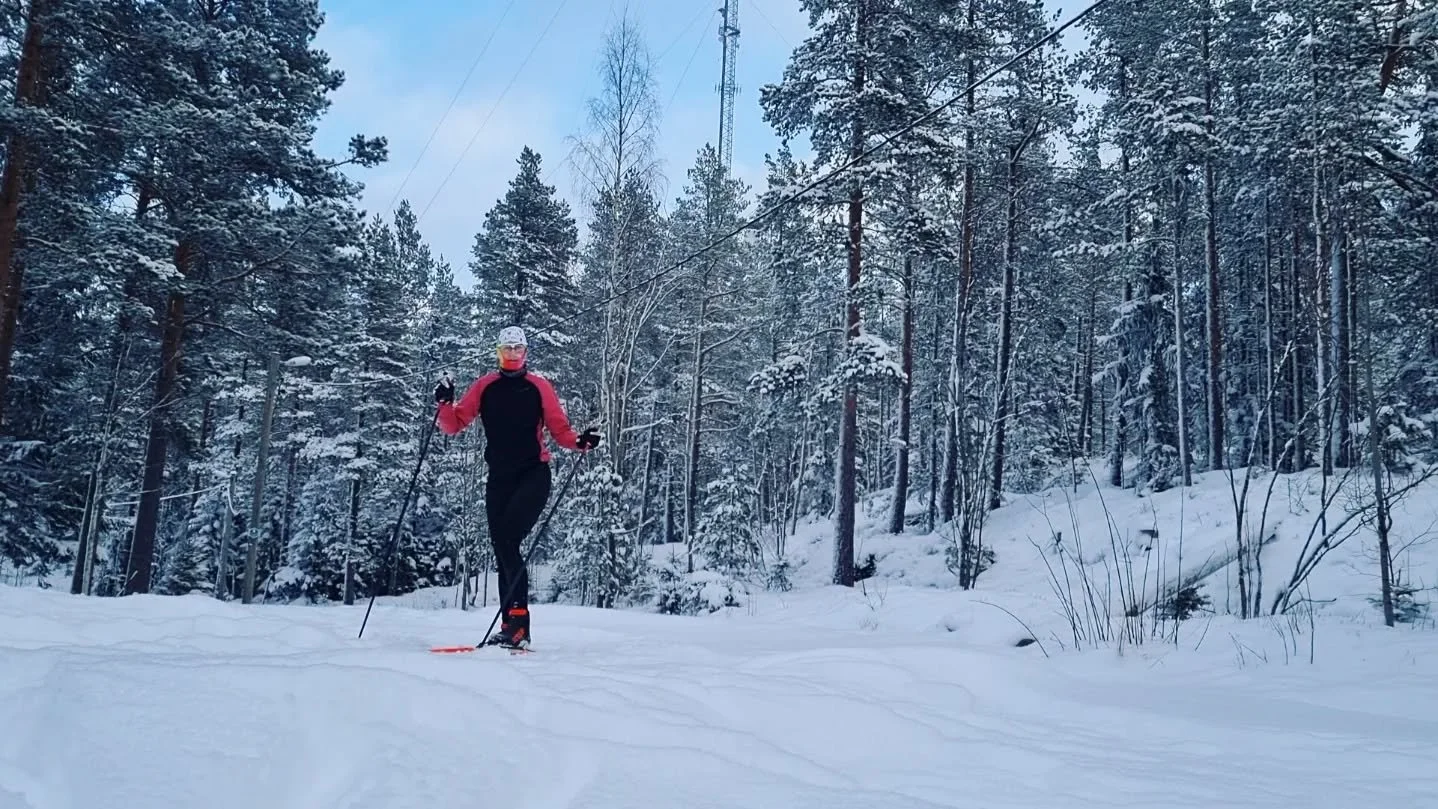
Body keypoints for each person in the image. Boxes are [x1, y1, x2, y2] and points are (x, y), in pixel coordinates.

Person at [433, 325, 599, 648]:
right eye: (507, 349)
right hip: (499, 480)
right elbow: (454, 424)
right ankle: (510, 625)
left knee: (508, 540)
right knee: (501, 548)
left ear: (526, 353)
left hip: (533, 476)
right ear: (498, 352)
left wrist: (581, 442)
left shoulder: (538, 387)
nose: (512, 354)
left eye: (517, 349)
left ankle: (519, 623)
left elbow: (560, 430)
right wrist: (444, 404)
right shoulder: (485, 386)